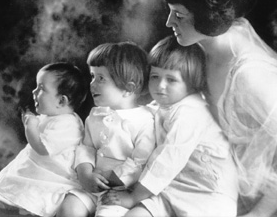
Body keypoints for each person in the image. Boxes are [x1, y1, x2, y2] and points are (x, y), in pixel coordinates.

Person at [159, 0, 277, 217]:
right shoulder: (206, 44)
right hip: (211, 178)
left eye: (179, 15)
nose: (169, 23)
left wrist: (258, 215)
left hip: (261, 199)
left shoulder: (252, 77)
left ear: (208, 17)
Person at [102, 35, 238, 216]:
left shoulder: (191, 112)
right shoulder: (161, 105)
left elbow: (168, 160)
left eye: (171, 80)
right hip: (168, 187)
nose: (160, 85)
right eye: (155, 76)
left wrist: (134, 197)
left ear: (191, 82)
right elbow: (139, 123)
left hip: (207, 193)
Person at [0, 62, 89, 217]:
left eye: (41, 89)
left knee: (24, 187)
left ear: (61, 101)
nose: (34, 91)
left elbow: (41, 148)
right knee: (15, 175)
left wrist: (30, 128)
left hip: (53, 176)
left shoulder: (68, 124)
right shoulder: (54, 116)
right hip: (41, 166)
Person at [56, 42, 155, 217]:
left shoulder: (145, 120)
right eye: (92, 76)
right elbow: (86, 147)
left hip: (120, 191)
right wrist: (86, 173)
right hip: (92, 184)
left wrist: (112, 180)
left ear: (128, 88)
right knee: (69, 207)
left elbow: (140, 161)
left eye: (101, 78)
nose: (92, 84)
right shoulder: (96, 115)